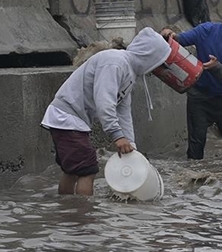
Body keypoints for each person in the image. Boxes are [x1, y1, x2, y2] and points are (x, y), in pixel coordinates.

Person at [40, 27, 172, 195]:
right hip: (67, 117)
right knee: (87, 169)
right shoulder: (115, 62)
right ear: (148, 56)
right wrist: (117, 136)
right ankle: (83, 215)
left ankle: (67, 211)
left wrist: (130, 144)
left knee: (72, 170)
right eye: (158, 61)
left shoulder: (129, 74)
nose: (158, 67)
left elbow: (123, 110)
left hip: (71, 119)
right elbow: (105, 102)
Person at [161, 3, 222, 159]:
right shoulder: (206, 30)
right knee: (195, 152)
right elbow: (178, 42)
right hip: (199, 97)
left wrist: (216, 67)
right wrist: (167, 34)